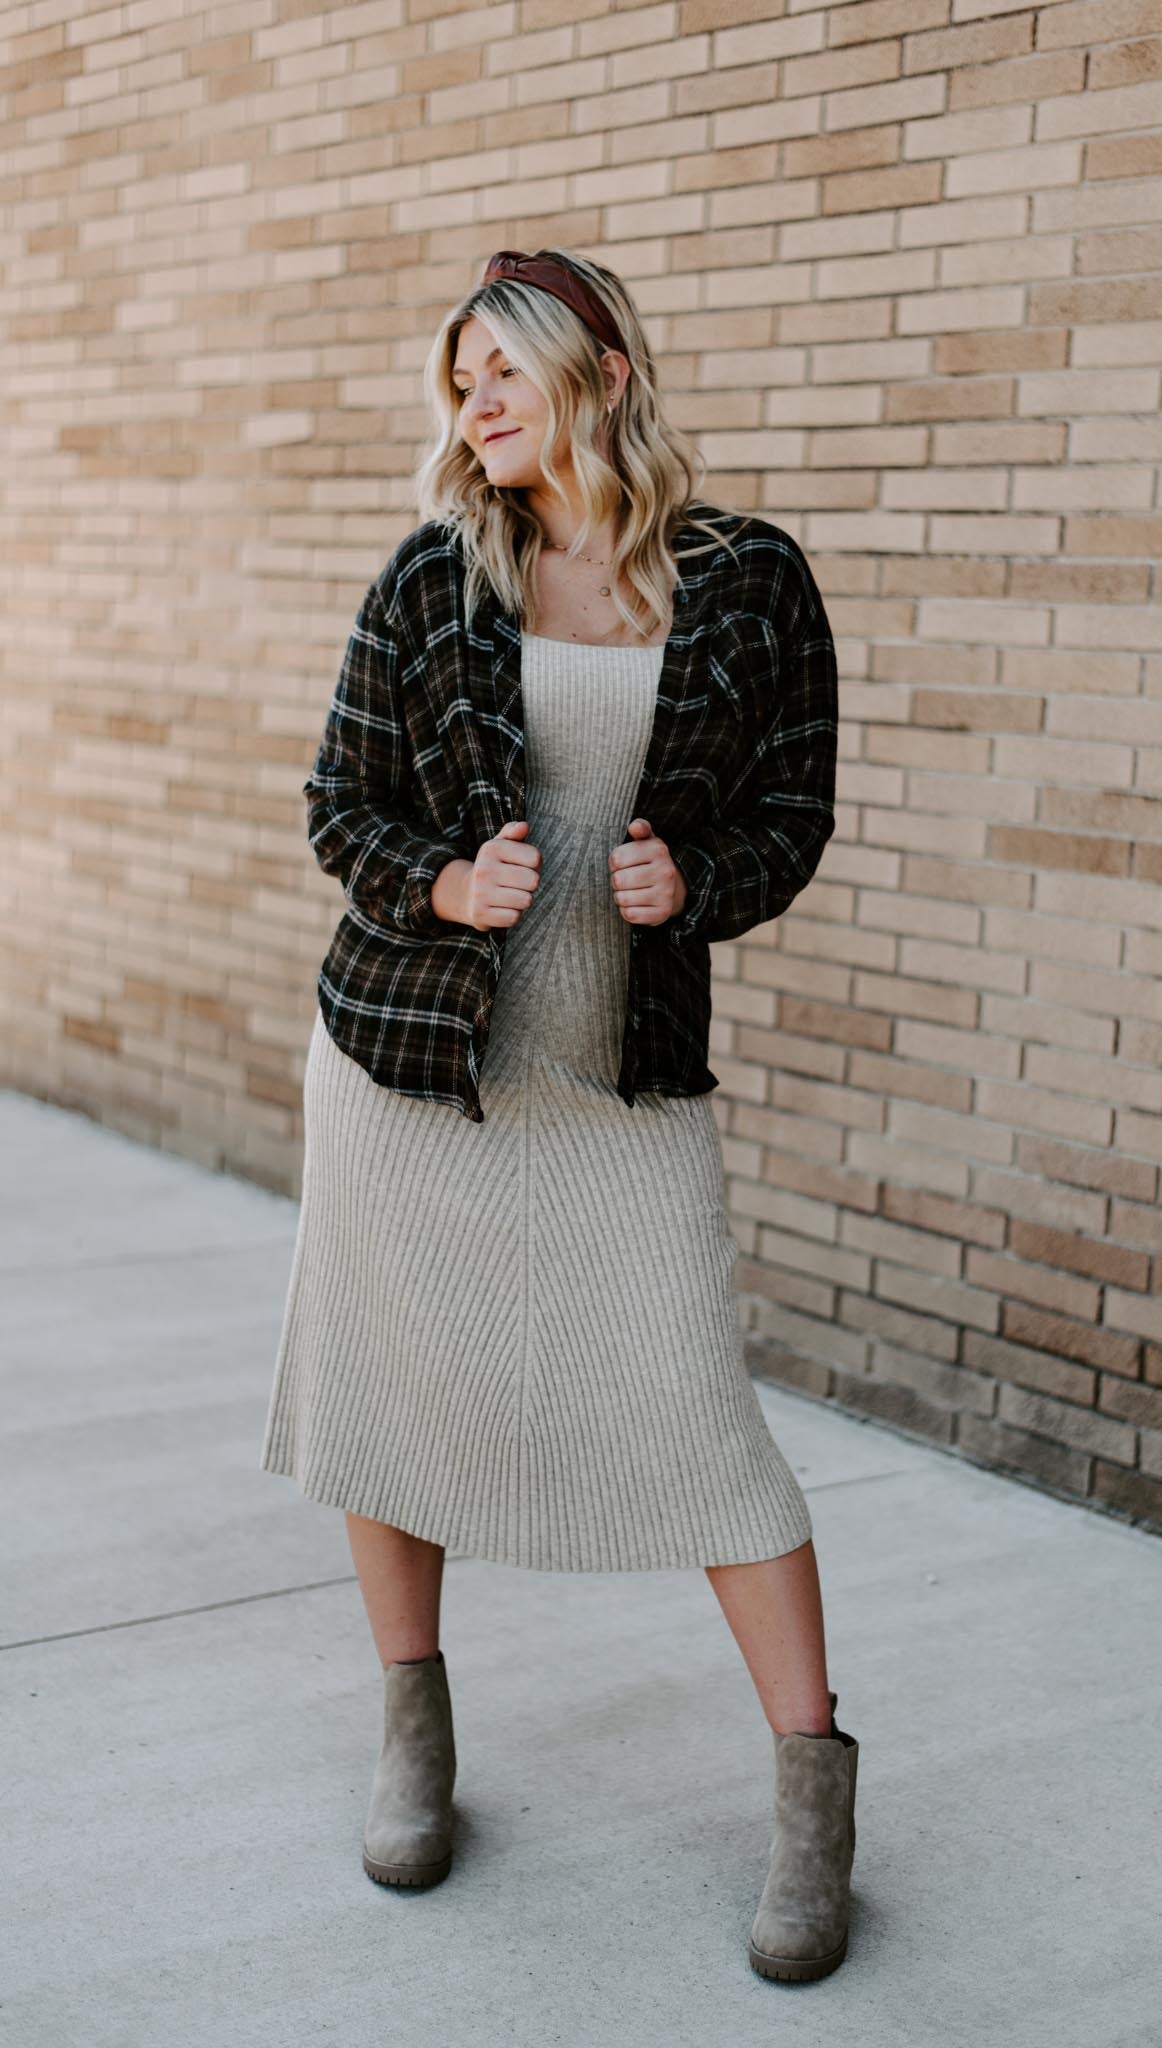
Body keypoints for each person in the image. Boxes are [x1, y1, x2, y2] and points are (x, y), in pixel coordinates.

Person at [259, 246, 858, 1982]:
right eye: (461, 383)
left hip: (619, 1081)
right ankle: (413, 1739)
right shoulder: (434, 575)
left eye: (504, 372)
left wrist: (700, 885)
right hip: (412, 1076)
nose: (478, 407)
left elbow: (792, 814)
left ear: (601, 373)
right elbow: (338, 805)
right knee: (393, 1398)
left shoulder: (748, 582)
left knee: (704, 1423)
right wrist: (446, 889)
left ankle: (813, 1803)